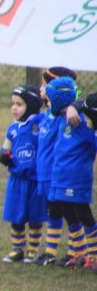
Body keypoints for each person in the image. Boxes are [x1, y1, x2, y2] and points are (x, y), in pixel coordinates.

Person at [46, 79, 97, 270]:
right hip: (60, 177)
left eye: (50, 99)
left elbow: (93, 142)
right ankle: (80, 253)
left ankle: (94, 255)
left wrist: (75, 107)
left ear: (59, 99)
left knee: (84, 214)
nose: (48, 103)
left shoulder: (80, 121)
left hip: (76, 179)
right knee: (68, 213)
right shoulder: (61, 117)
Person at [0, 84, 46, 263]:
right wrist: (4, 155)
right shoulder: (13, 127)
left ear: (31, 106)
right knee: (16, 215)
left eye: (19, 104)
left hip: (35, 180)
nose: (14, 108)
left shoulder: (39, 122)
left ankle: (33, 250)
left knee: (34, 217)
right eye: (13, 104)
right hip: (17, 179)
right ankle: (17, 249)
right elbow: (6, 146)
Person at [33, 67, 79, 266]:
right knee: (53, 212)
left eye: (44, 84)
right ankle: (50, 253)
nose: (40, 88)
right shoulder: (46, 114)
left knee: (69, 212)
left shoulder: (64, 115)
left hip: (57, 173)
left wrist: (72, 106)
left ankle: (74, 252)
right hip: (44, 173)